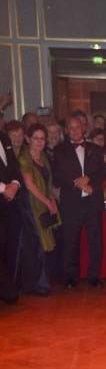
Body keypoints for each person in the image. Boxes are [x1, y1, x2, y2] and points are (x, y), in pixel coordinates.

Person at [52, 116, 106, 289]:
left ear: (84, 128)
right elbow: (57, 175)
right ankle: (70, 278)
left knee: (95, 241)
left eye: (77, 127)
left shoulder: (96, 149)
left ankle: (94, 276)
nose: (75, 130)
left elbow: (103, 171)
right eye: (71, 127)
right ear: (66, 130)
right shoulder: (59, 150)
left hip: (92, 202)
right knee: (70, 241)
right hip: (71, 203)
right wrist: (77, 182)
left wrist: (89, 179)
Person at [18, 124, 61, 296]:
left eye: (42, 138)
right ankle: (38, 285)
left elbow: (48, 183)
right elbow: (29, 185)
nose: (39, 142)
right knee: (36, 244)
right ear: (28, 139)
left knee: (43, 244)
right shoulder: (24, 158)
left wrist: (52, 200)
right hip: (30, 206)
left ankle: (42, 282)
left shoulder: (43, 156)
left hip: (43, 203)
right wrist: (47, 201)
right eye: (35, 138)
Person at [0, 129, 20, 303]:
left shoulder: (4, 136)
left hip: (7, 204)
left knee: (5, 246)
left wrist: (14, 183)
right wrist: (3, 188)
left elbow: (13, 165)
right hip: (3, 194)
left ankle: (7, 291)